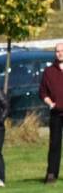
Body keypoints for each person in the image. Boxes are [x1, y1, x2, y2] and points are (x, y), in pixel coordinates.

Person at [39, 41, 63, 184]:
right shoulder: (49, 71)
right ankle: (51, 173)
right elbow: (42, 92)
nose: (59, 53)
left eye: (62, 51)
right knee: (54, 144)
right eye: (57, 51)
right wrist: (50, 103)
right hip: (56, 113)